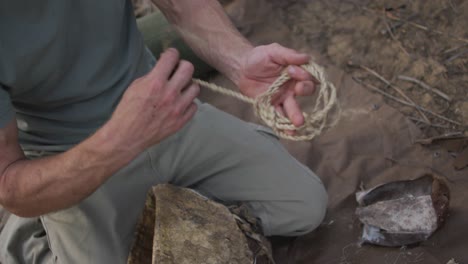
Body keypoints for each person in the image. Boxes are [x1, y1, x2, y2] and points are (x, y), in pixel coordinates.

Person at [0, 0, 327, 263]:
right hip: (74, 158)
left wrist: (240, 60)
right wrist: (123, 137)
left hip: (163, 107)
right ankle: (32, 233)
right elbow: (9, 185)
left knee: (303, 206)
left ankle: (160, 204)